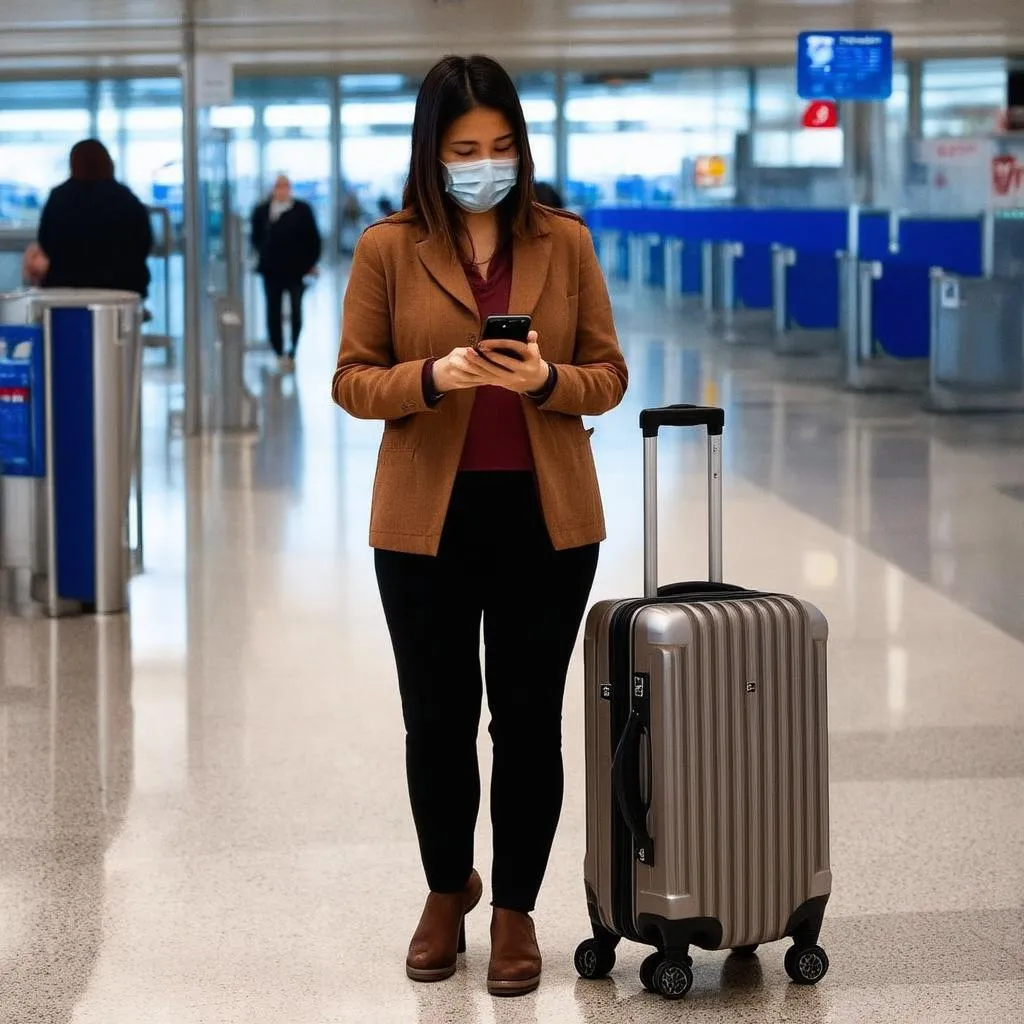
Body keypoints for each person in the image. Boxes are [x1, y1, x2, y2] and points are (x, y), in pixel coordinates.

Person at [331, 54, 627, 997]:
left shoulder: (564, 243)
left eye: (501, 145)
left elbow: (609, 377)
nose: (484, 162)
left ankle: (514, 910)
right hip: (425, 522)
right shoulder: (388, 247)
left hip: (546, 517)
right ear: (433, 150)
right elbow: (351, 379)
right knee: (437, 720)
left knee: (530, 721)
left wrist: (545, 381)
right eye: (465, 148)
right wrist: (432, 378)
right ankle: (446, 887)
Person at [34, 139, 153, 298]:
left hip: (65, 289)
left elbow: (46, 241)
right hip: (122, 289)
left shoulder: (59, 198)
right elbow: (143, 243)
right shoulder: (126, 199)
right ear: (108, 163)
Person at [250, 175, 322, 371]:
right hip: (271, 271)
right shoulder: (262, 211)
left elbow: (313, 239)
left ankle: (292, 349)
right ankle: (278, 350)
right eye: (278, 187)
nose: (282, 190)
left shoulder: (302, 210)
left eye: (285, 186)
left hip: (295, 270)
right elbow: (256, 238)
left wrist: (310, 263)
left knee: (296, 310)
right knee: (273, 310)